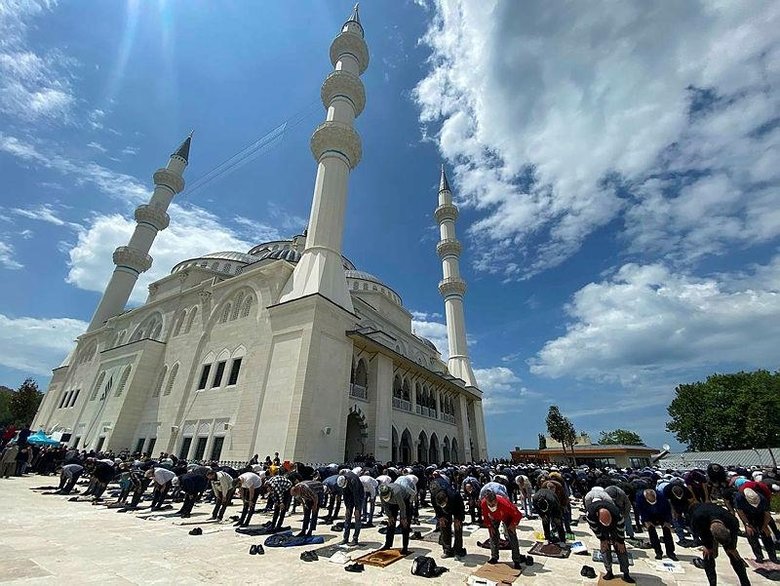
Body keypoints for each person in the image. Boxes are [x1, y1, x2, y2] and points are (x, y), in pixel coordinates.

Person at [690, 502, 751, 586]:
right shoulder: (697, 518)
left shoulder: (732, 521)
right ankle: (712, 583)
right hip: (702, 521)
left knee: (733, 554)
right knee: (708, 554)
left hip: (718, 518)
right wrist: (706, 545)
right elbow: (695, 531)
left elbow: (733, 535)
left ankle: (745, 583)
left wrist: (732, 547)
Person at [586, 498, 635, 584]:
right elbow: (594, 528)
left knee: (621, 549)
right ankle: (609, 571)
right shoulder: (590, 514)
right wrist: (602, 539)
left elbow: (621, 528)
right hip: (601, 529)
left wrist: (620, 541)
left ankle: (626, 573)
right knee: (605, 548)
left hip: (615, 527)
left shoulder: (616, 513)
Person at [480, 488, 524, 570]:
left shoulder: (505, 504)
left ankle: (516, 560)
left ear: (496, 500)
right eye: (489, 505)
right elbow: (485, 516)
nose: (491, 506)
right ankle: (494, 557)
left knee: (512, 536)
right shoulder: (483, 503)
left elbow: (518, 515)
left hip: (507, 516)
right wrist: (489, 526)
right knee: (493, 535)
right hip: (494, 517)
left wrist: (513, 524)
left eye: (493, 504)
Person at [734, 487, 778, 563]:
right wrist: (747, 524)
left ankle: (773, 557)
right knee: (751, 535)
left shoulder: (762, 499)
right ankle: (759, 557)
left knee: (766, 535)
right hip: (748, 516)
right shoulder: (739, 497)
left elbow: (767, 514)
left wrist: (765, 526)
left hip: (760, 516)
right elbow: (740, 511)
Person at [635, 488, 678, 561]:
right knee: (652, 532)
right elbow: (641, 510)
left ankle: (670, 553)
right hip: (649, 515)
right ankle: (658, 552)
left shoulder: (661, 496)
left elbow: (667, 509)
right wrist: (646, 521)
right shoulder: (639, 497)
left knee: (667, 531)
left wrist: (668, 521)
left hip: (662, 514)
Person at [378, 482, 414, 555]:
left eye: (386, 496)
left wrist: (403, 518)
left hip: (405, 500)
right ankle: (387, 545)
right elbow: (384, 505)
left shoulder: (396, 492)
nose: (385, 498)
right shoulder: (381, 494)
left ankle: (405, 547)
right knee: (391, 524)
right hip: (392, 503)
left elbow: (402, 506)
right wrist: (390, 516)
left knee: (405, 525)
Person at [434, 483, 467, 558]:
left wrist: (458, 519)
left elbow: (461, 508)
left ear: (446, 499)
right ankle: (447, 550)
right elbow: (436, 508)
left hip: (456, 509)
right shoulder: (435, 496)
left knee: (458, 528)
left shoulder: (455, 495)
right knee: (444, 527)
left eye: (443, 503)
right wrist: (440, 517)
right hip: (443, 512)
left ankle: (458, 550)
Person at [338, 470, 364, 545]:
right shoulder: (342, 481)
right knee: (347, 517)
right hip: (350, 495)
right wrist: (347, 508)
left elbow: (356, 495)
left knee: (357, 517)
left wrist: (357, 509)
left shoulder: (353, 480)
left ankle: (355, 539)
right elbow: (345, 496)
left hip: (358, 496)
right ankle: (345, 538)